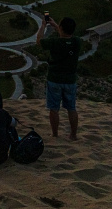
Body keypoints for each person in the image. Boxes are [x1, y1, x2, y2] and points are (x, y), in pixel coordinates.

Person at [37, 12, 80, 140]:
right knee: (71, 108)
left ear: (61, 28)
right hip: (70, 80)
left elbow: (39, 41)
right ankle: (73, 135)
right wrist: (57, 26)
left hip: (54, 79)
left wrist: (44, 26)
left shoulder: (54, 42)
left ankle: (55, 134)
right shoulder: (77, 42)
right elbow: (67, 37)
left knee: (54, 109)